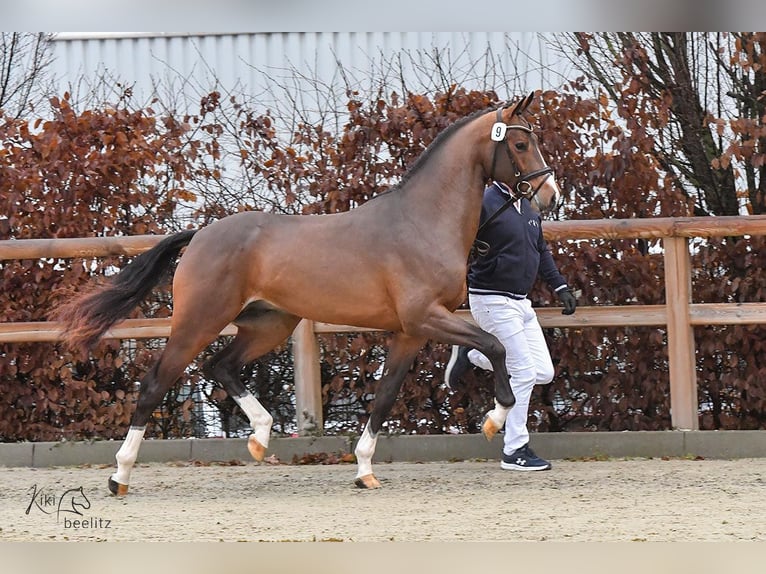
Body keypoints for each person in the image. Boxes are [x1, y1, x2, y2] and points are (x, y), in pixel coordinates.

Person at [445, 180, 576, 471]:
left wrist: (560, 286)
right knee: (524, 372)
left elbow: (540, 249)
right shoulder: (486, 201)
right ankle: (514, 449)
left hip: (521, 303)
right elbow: (456, 240)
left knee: (543, 372)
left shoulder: (530, 206)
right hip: (491, 299)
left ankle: (473, 352)